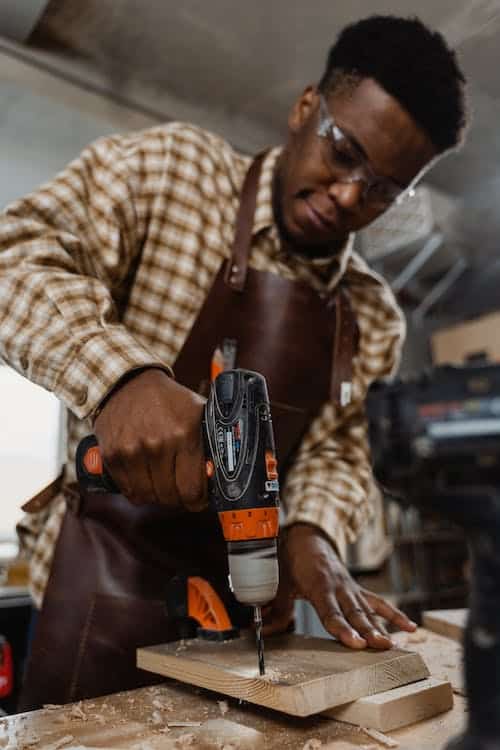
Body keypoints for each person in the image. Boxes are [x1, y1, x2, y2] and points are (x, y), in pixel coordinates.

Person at [0, 15, 467, 708]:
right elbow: (14, 256)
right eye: (343, 154)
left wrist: (311, 534)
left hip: (243, 612)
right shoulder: (173, 173)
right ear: (307, 107)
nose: (347, 196)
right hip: (98, 587)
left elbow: (340, 451)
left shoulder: (371, 314)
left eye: (380, 190)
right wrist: (122, 380)